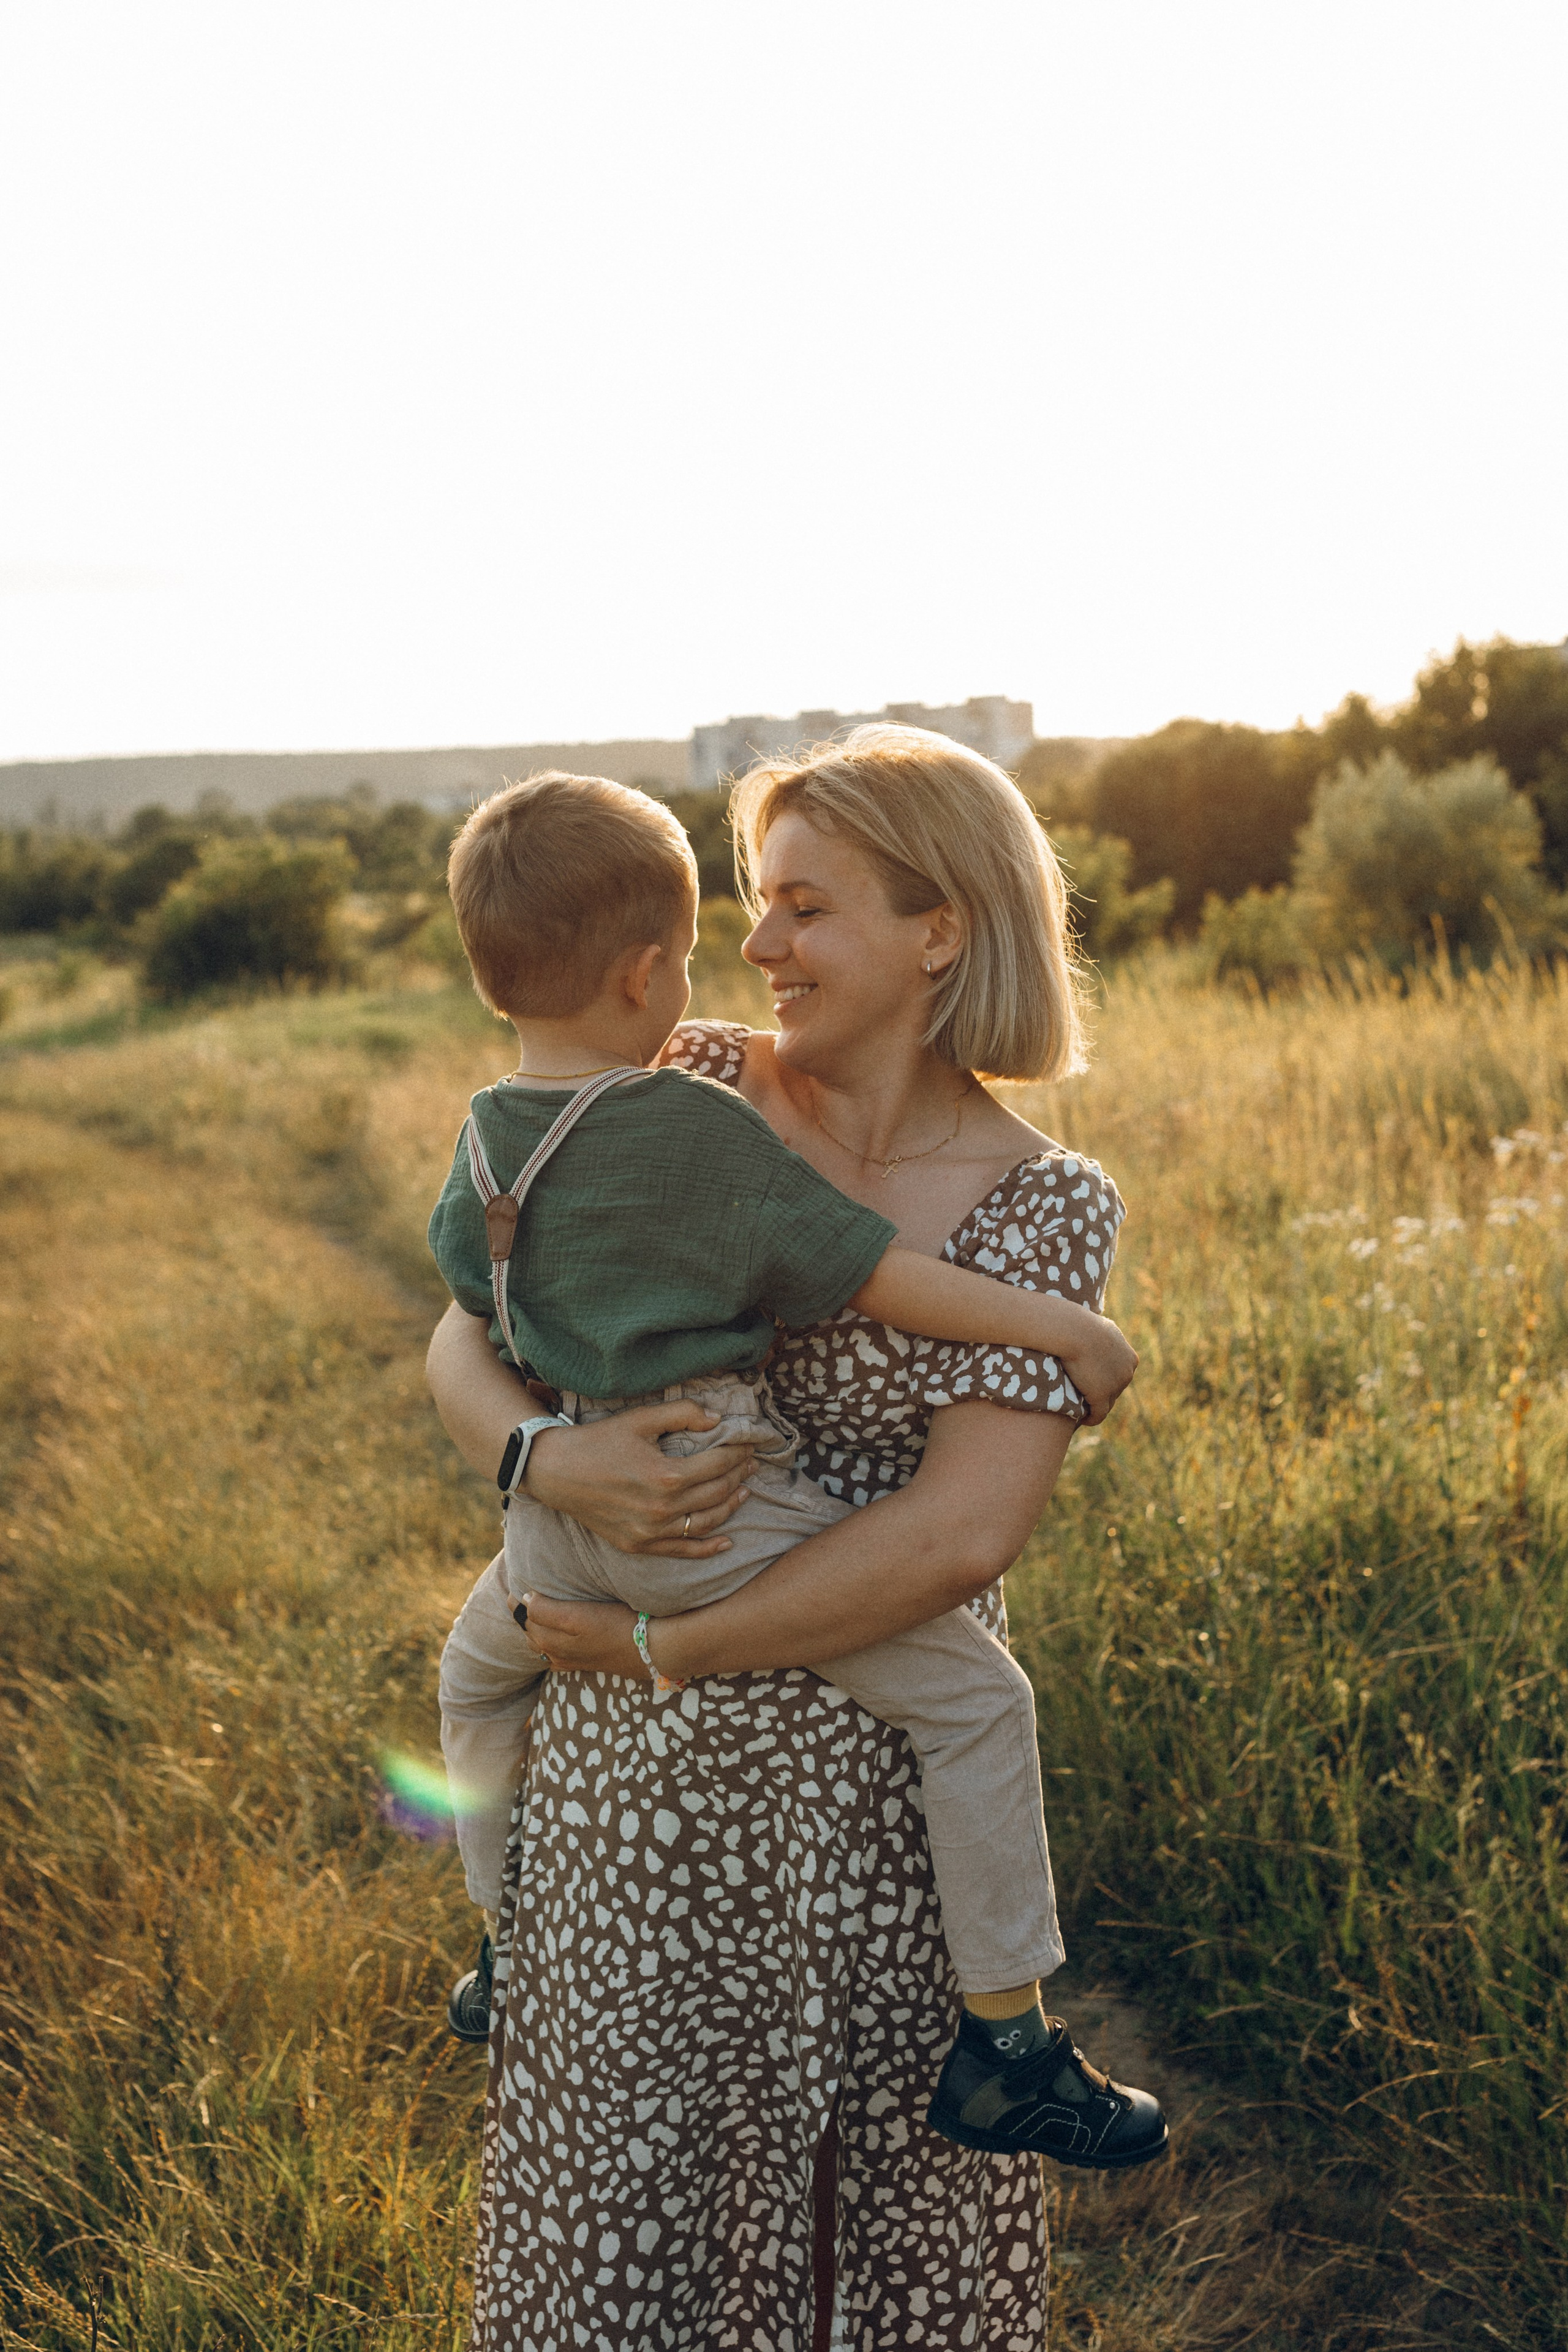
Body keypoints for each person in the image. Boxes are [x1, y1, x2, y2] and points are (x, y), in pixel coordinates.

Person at [426, 724, 1164, 2350]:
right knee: (619, 2254)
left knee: (859, 2263)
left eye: (805, 907)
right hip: (636, 1823)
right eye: (754, 901)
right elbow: (461, 1338)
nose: (755, 944)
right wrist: (555, 1465)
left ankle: (1007, 2051)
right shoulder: (673, 1085)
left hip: (874, 1850)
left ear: (940, 930)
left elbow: (959, 1540)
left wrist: (665, 1642)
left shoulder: (1045, 1206)